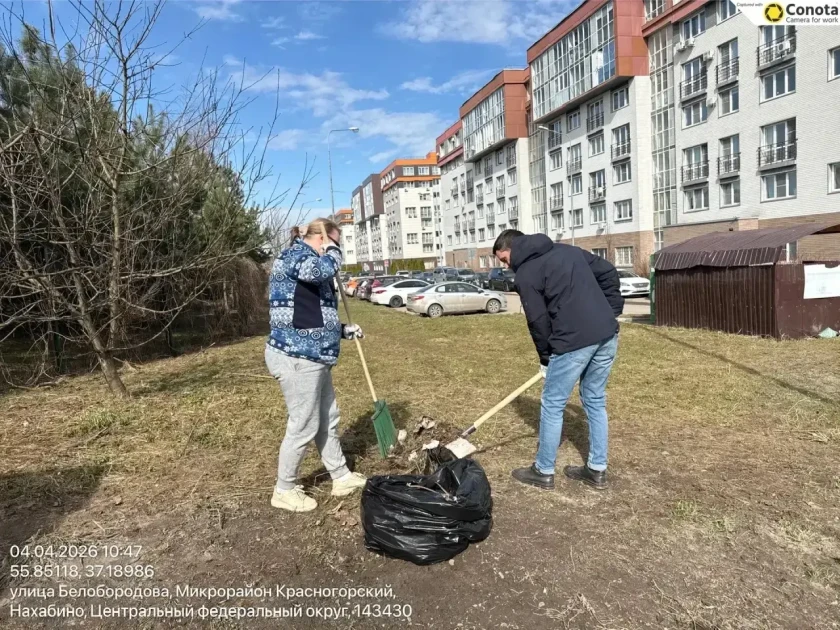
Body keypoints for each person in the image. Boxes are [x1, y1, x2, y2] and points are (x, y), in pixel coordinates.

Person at [492, 229, 624, 491]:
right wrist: (610, 313)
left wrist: (546, 358)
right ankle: (597, 469)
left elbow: (538, 322)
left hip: (572, 340)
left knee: (552, 403)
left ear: (513, 247)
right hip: (607, 334)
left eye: (504, 259)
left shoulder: (526, 274)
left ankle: (543, 470)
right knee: (595, 400)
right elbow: (608, 270)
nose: (505, 266)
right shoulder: (568, 251)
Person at [265, 217, 367, 512]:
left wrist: (342, 330)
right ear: (323, 238)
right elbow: (316, 272)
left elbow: (311, 316)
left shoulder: (311, 261)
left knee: (328, 417)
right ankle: (284, 489)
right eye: (336, 241)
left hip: (313, 355)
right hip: (296, 357)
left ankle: (340, 476)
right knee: (304, 424)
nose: (338, 248)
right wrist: (334, 252)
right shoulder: (295, 256)